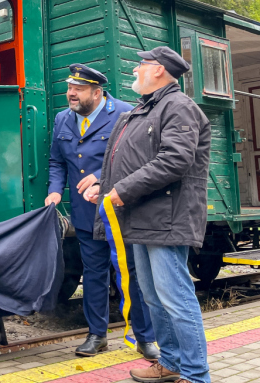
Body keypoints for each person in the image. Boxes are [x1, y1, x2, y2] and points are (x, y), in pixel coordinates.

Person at [85, 47, 211, 383]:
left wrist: (122, 191)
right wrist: (104, 184)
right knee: (154, 298)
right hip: (141, 217)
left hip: (167, 219)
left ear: (158, 70)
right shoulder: (143, 110)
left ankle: (197, 375)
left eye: (141, 65)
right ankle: (170, 364)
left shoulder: (178, 107)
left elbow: (175, 160)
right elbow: (132, 161)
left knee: (176, 299)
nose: (135, 70)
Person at [46, 64, 159, 359]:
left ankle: (145, 337)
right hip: (85, 213)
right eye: (69, 88)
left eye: (78, 89)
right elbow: (57, 161)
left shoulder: (125, 113)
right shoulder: (62, 119)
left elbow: (139, 160)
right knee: (93, 275)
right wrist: (55, 190)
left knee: (132, 275)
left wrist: (101, 176)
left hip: (122, 210)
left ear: (97, 93)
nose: (71, 94)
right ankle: (97, 335)